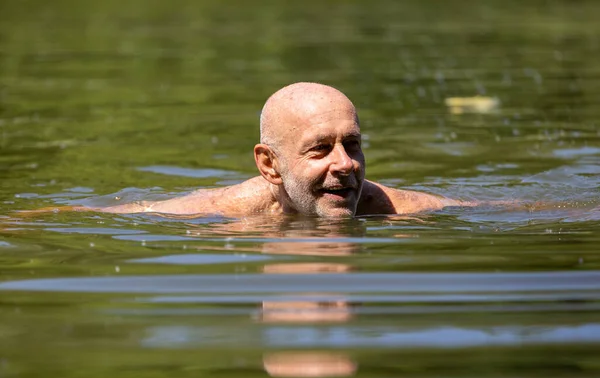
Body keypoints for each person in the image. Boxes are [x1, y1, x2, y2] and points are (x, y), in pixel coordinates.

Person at [89, 82, 466, 218]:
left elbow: (515, 210)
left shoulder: (394, 209)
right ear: (270, 165)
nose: (346, 164)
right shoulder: (217, 216)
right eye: (320, 149)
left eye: (352, 145)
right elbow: (98, 215)